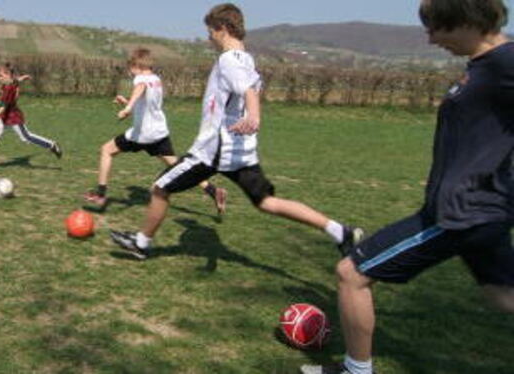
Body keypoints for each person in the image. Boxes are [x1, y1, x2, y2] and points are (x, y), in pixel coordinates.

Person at [300, 1, 514, 373]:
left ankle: (356, 370)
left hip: (460, 213)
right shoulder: (484, 66)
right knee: (503, 294)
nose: (430, 39)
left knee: (352, 273)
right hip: (480, 209)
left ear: (465, 21)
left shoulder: (505, 63)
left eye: (435, 28)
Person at [110, 3, 362, 260]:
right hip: (241, 150)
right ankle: (340, 231)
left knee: (160, 187)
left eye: (210, 31)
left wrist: (254, 115)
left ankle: (141, 243)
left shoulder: (229, 59)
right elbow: (249, 88)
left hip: (215, 149)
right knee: (266, 202)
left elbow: (247, 91)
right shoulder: (247, 59)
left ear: (223, 29)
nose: (208, 37)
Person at [84, 48, 227, 212]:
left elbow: (141, 88)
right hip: (159, 133)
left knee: (106, 150)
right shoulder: (156, 79)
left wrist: (128, 107)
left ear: (137, 65)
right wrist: (127, 102)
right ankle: (213, 191)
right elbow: (146, 105)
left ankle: (100, 194)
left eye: (131, 67)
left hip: (142, 135)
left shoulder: (141, 78)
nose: (130, 72)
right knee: (179, 167)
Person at [0, 63, 62, 169]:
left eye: (1, 76)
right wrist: (23, 78)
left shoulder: (9, 88)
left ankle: (52, 145)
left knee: (26, 137)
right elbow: (16, 80)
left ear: (8, 75)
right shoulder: (11, 82)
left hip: (13, 117)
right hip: (5, 117)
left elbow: (4, 106)